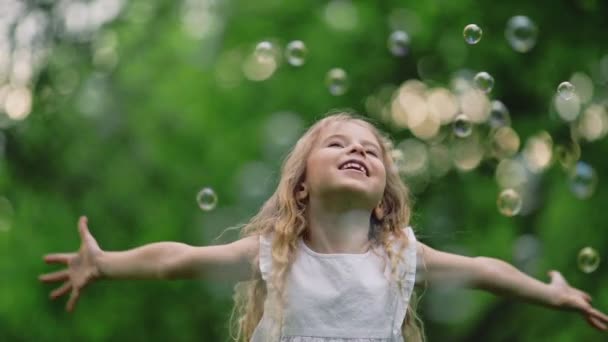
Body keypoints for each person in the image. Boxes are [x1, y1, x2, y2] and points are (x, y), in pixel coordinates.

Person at [40, 112, 608, 341]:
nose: (356, 151)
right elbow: (176, 259)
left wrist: (551, 293)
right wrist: (106, 263)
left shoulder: (399, 256)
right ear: (302, 186)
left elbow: (486, 271)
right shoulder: (272, 252)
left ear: (384, 198)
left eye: (371, 151)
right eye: (336, 144)